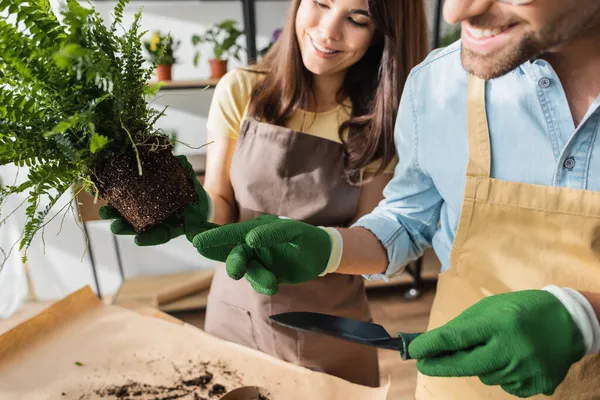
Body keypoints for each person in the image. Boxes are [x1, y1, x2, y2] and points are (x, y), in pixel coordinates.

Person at [192, 0, 600, 398]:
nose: (454, 12)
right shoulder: (438, 83)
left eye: (356, 18)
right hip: (458, 384)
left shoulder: (376, 113)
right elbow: (406, 221)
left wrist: (587, 318)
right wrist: (330, 248)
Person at [101, 0, 428, 387]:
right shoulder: (242, 89)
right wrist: (193, 211)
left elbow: (374, 245)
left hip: (330, 329)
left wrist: (318, 248)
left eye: (357, 20)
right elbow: (220, 200)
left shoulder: (381, 119)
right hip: (235, 313)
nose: (328, 30)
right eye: (321, 3)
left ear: (381, 36)